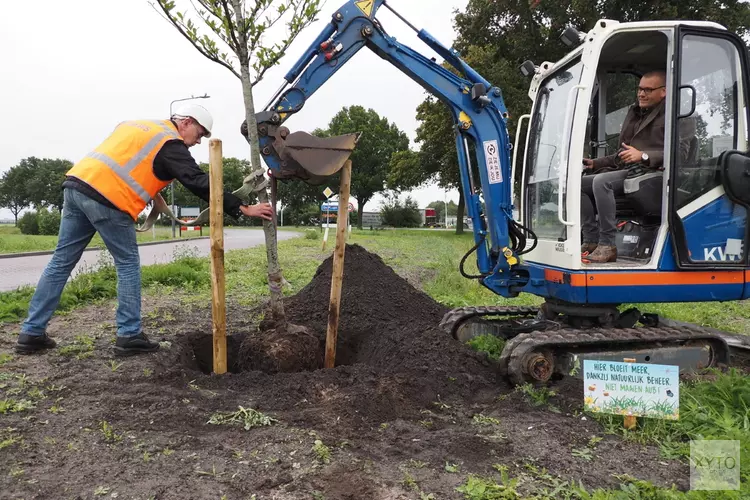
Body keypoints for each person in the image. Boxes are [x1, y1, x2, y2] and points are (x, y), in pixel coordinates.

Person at [15, 104, 274, 356]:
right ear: (186, 123)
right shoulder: (171, 143)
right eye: (199, 135)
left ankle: (31, 332)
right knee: (127, 263)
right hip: (109, 199)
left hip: (76, 187)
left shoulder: (139, 125)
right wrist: (242, 207)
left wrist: (151, 190)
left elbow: (128, 162)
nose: (197, 142)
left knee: (61, 261)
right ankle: (129, 335)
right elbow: (197, 181)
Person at [580, 70, 669, 263]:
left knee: (602, 182)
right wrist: (595, 163)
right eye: (639, 89)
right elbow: (623, 154)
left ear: (664, 92)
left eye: (648, 90)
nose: (641, 94)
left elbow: (682, 154)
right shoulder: (635, 113)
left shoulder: (676, 117)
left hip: (657, 174)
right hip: (631, 172)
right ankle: (591, 240)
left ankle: (607, 244)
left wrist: (643, 155)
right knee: (579, 185)